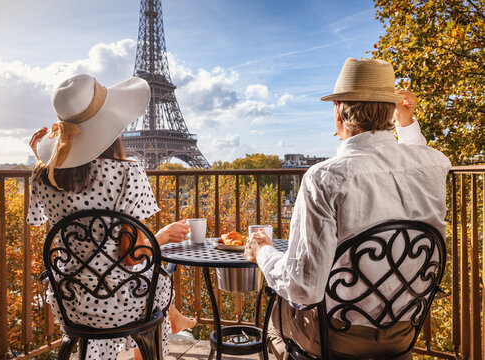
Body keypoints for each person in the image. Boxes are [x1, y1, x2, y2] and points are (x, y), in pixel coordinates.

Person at [244, 58, 452, 359]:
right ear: (390, 109)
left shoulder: (324, 178)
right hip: (404, 333)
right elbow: (419, 153)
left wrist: (262, 253)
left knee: (274, 315)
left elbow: (304, 289)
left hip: (337, 339)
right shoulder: (433, 165)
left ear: (338, 110)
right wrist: (405, 123)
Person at [27, 74, 195, 360]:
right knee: (157, 283)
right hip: (122, 303)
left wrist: (47, 160)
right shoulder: (128, 173)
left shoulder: (42, 176)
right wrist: (164, 235)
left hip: (72, 301)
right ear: (110, 125)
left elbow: (37, 220)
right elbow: (132, 257)